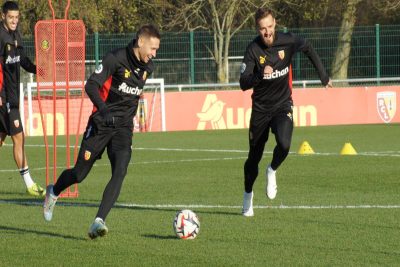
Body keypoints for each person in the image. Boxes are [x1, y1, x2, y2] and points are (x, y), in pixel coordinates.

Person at [43, 24, 161, 239]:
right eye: (152, 49)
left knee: (121, 170)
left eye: (156, 50)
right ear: (140, 41)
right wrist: (105, 110)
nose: (154, 54)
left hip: (123, 128)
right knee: (79, 174)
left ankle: (98, 221)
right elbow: (91, 85)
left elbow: (131, 97)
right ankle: (54, 192)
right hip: (100, 124)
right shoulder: (114, 59)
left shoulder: (148, 67)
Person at [239, 8, 332, 217]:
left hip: (282, 105)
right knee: (253, 158)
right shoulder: (253, 50)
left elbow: (307, 47)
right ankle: (247, 196)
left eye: (270, 27)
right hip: (261, 110)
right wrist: (259, 76)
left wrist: (323, 76)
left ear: (275, 24)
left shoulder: (288, 41)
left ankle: (272, 169)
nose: (267, 32)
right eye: (263, 29)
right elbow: (243, 83)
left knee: (284, 143)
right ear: (257, 29)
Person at [0, 1, 45, 197]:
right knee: (19, 136)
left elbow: (23, 61)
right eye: (11, 17)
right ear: (2, 16)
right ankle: (29, 184)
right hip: (3, 97)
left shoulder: (17, 35)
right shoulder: (0, 37)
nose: (14, 21)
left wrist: (39, 69)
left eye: (16, 17)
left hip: (13, 95)